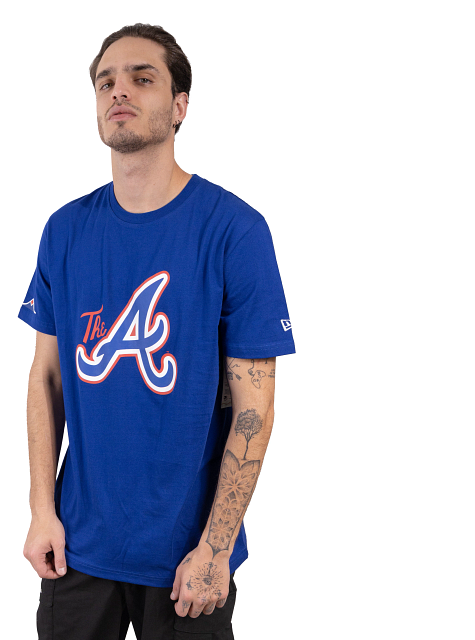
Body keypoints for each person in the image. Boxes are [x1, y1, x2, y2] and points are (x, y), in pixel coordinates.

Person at [18, 23, 295, 640]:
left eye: (142, 78)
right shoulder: (64, 231)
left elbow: (254, 410)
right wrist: (41, 510)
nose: (119, 91)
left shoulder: (235, 231)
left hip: (186, 559)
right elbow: (46, 378)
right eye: (105, 82)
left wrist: (215, 548)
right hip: (77, 548)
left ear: (179, 107)